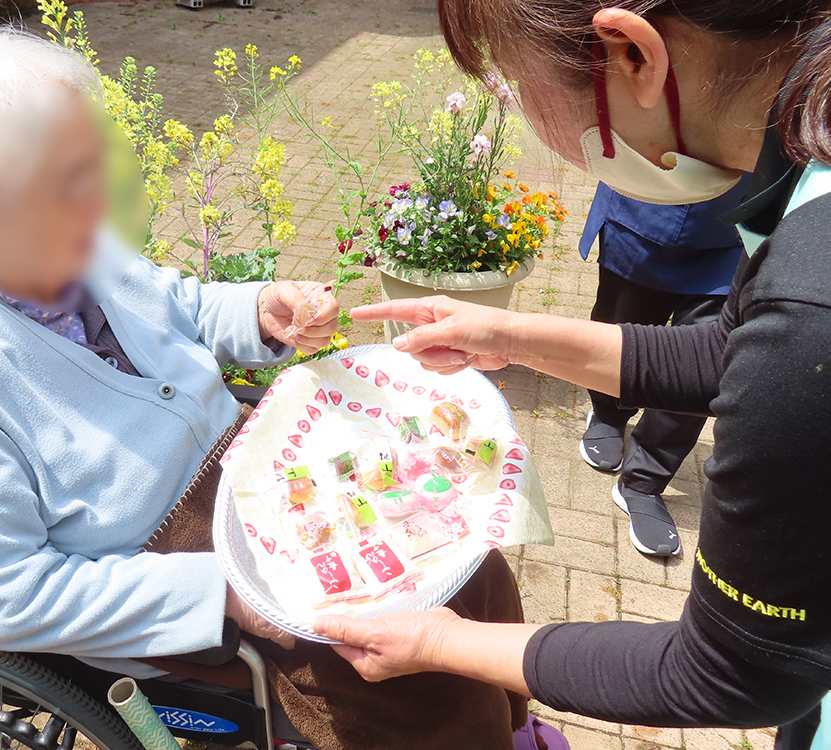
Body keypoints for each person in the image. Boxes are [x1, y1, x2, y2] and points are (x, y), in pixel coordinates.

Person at [0, 27, 531, 750]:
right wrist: (227, 595)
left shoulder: (59, 234)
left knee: (456, 553)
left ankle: (511, 729)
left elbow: (176, 305)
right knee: (403, 668)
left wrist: (259, 311)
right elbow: (8, 595)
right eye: (72, 176)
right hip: (158, 572)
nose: (101, 195)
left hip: (251, 474)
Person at [313, 0, 831, 740]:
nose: (520, 108)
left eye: (516, 81)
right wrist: (513, 335)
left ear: (632, 55)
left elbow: (730, 674)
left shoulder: (816, 289)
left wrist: (436, 641)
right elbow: (733, 352)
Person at [578, 181, 748, 556]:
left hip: (736, 228)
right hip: (644, 206)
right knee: (620, 324)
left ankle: (643, 480)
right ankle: (608, 414)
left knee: (708, 359)